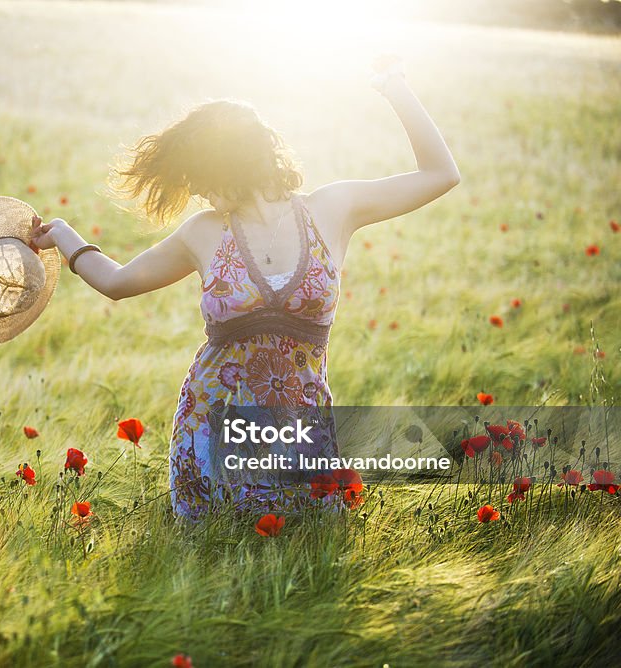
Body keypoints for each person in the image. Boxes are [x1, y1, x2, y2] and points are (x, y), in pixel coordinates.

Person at [29, 55, 460, 519]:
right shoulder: (204, 232)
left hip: (300, 439)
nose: (202, 195)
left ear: (234, 165)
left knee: (302, 565)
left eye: (206, 180)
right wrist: (62, 236)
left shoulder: (332, 209)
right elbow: (117, 282)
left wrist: (394, 86)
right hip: (210, 430)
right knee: (217, 572)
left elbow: (440, 174)